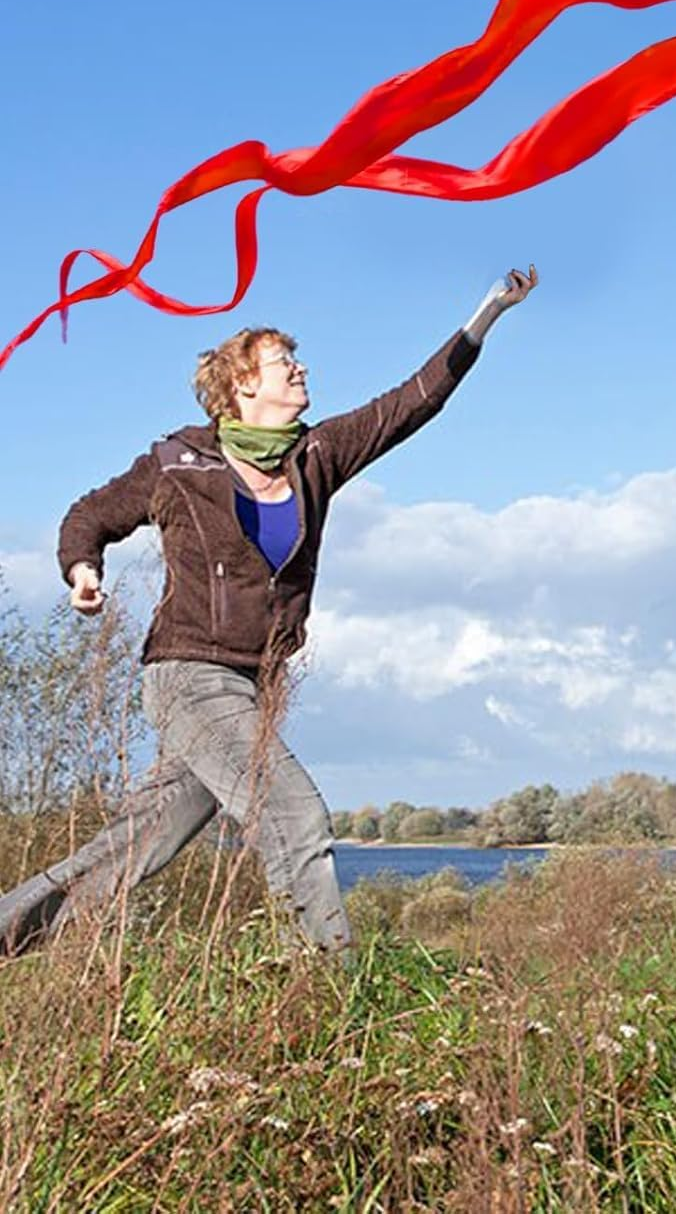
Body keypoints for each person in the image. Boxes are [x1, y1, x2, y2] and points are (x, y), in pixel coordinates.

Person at [0, 267, 538, 955]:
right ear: (244, 384)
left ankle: (10, 934)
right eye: (286, 362)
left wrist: (486, 314)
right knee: (293, 811)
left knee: (136, 844)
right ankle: (323, 990)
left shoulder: (317, 455)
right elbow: (90, 516)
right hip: (188, 676)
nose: (301, 369)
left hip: (255, 684)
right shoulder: (177, 463)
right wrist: (82, 571)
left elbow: (412, 402)